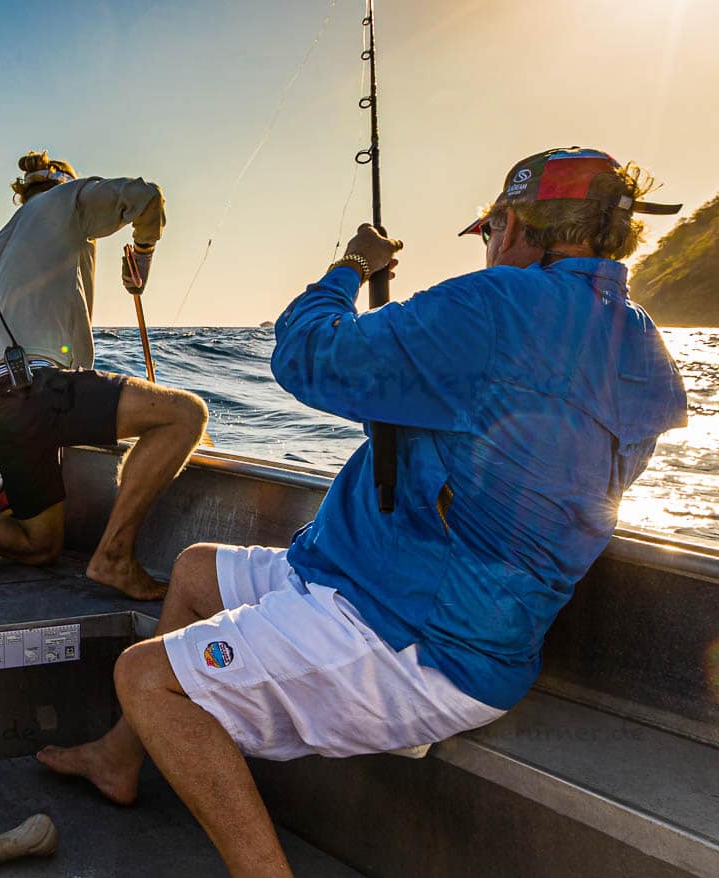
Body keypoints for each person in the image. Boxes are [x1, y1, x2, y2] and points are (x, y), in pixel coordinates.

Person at [36, 147, 688, 876]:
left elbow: (306, 354)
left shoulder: (496, 305)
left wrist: (353, 263)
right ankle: (118, 760)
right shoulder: (639, 342)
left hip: (411, 638)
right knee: (193, 570)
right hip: (431, 603)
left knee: (145, 678)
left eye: (491, 229)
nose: (489, 248)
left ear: (521, 225)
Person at [0, 150, 208, 600]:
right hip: (41, 391)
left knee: (41, 545)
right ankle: (114, 557)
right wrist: (144, 254)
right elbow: (146, 198)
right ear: (64, 184)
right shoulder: (67, 200)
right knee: (186, 415)